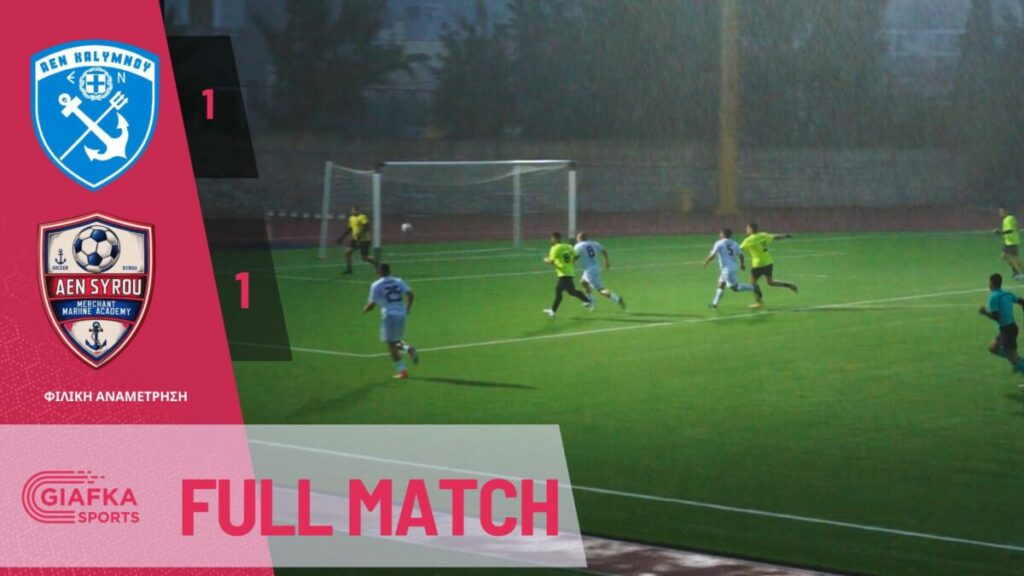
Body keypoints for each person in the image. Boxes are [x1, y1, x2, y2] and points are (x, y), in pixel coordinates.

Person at [363, 263, 418, 379]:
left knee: (391, 344)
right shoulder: (398, 281)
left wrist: (365, 309)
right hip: (402, 313)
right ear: (389, 270)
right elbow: (411, 294)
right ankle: (408, 349)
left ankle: (402, 371)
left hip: (389, 315)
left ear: (379, 272)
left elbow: (372, 304)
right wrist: (408, 308)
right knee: (396, 340)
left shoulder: (376, 284)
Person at [703, 227, 762, 308]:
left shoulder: (719, 243)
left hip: (727, 270)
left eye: (720, 233)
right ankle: (715, 303)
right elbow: (741, 255)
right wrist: (742, 264)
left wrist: (706, 262)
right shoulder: (735, 243)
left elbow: (713, 255)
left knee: (735, 288)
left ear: (723, 234)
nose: (719, 234)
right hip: (731, 267)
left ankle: (753, 288)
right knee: (721, 284)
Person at [739, 222, 798, 303]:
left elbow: (739, 249)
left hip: (758, 264)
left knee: (752, 283)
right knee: (770, 282)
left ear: (751, 229)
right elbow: (775, 237)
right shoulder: (763, 235)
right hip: (768, 262)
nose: (746, 230)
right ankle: (790, 285)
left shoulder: (749, 240)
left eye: (747, 228)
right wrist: (785, 236)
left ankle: (759, 302)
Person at [979, 273, 1024, 378]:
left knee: (1013, 360)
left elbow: (996, 316)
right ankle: (1018, 360)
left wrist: (984, 312)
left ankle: (1018, 362)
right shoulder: (1008, 294)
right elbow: (1022, 301)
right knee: (993, 348)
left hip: (1007, 331)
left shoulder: (994, 297)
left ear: (991, 283)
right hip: (1009, 329)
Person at [542, 232, 592, 317]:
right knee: (564, 291)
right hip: (569, 271)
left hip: (564, 273)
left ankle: (588, 301)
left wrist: (545, 259)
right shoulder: (568, 246)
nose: (551, 240)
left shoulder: (554, 248)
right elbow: (576, 255)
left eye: (552, 238)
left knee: (568, 291)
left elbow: (551, 261)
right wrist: (570, 262)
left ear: (556, 238)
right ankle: (553, 311)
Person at [573, 232, 625, 310]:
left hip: (589, 271)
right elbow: (604, 251)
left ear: (579, 238)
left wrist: (570, 262)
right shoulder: (594, 243)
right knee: (583, 282)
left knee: (600, 289)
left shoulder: (578, 246)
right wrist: (607, 261)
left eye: (577, 238)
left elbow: (575, 256)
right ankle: (589, 298)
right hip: (595, 268)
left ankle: (616, 298)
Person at [339, 205, 377, 275]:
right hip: (355, 239)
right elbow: (350, 229)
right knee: (347, 253)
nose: (352, 211)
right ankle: (349, 269)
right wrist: (342, 237)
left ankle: (377, 263)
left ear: (358, 210)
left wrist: (361, 234)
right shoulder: (351, 218)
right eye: (352, 210)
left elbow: (366, 226)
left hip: (364, 240)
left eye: (354, 210)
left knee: (365, 258)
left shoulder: (362, 217)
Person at [993, 207, 1024, 280]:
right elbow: (1016, 228)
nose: (1000, 213)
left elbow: (1010, 230)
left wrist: (1000, 232)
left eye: (1001, 211)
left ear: (1006, 211)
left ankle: (1021, 273)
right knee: (1004, 256)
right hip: (1008, 241)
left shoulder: (1008, 219)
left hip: (1011, 241)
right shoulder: (1010, 218)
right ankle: (1016, 272)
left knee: (1015, 259)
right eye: (999, 212)